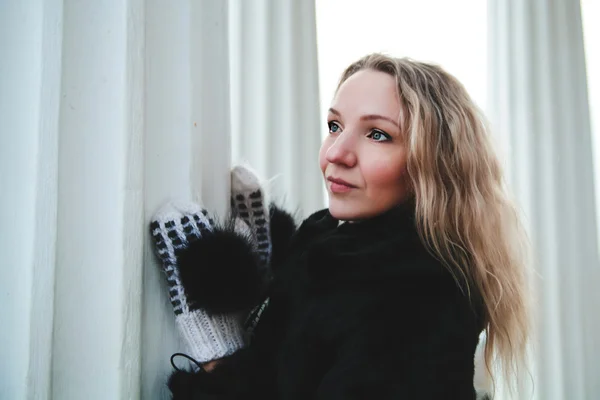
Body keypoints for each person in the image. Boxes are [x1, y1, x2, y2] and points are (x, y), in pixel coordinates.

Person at [150, 53, 531, 399]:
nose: (336, 153)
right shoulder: (336, 247)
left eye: (377, 134)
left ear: (433, 165)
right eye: (334, 125)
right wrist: (273, 304)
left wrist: (221, 360)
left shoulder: (414, 299)